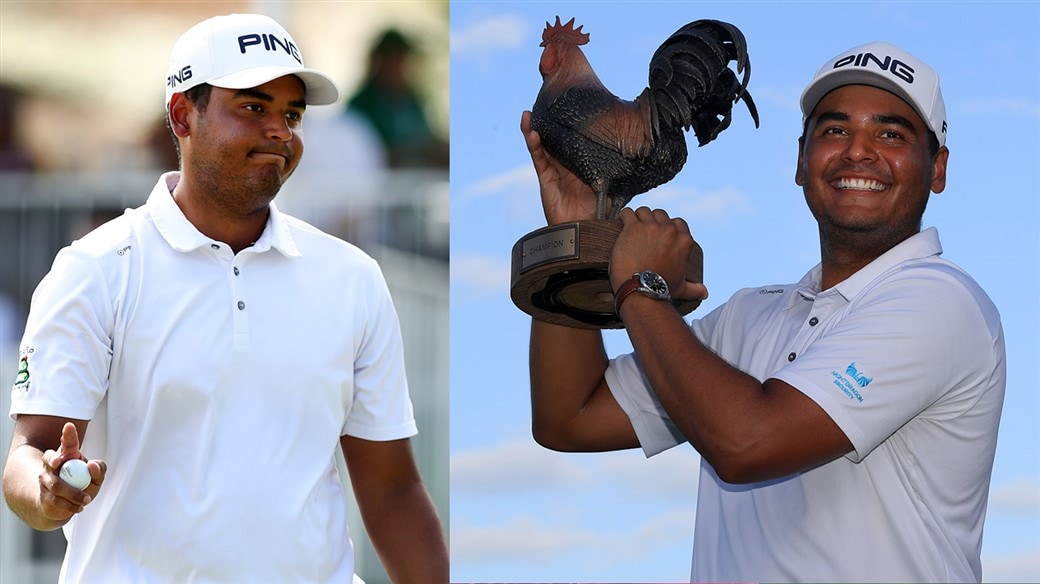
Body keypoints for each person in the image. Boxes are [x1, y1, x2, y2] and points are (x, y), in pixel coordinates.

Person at [522, 41, 1005, 583]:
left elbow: (748, 441)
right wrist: (579, 234)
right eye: (834, 130)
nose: (857, 152)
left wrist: (641, 286)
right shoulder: (750, 315)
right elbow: (570, 418)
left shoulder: (941, 300)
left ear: (936, 168)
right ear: (801, 162)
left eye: (891, 134)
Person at [2, 13, 447, 583]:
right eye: (254, 108)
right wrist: (46, 489)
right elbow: (27, 457)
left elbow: (392, 490)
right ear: (183, 115)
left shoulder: (352, 278)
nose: (280, 131)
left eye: (292, 114)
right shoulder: (95, 270)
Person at [346, 28, 448, 168]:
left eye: (402, 59)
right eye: (393, 59)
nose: (399, 66)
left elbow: (426, 137)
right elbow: (362, 152)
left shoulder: (412, 101)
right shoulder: (361, 105)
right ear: (378, 61)